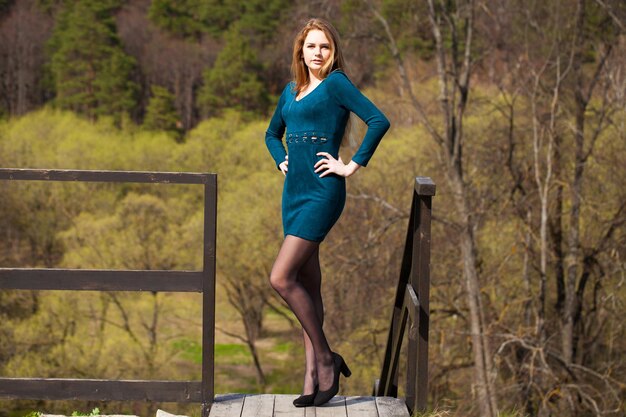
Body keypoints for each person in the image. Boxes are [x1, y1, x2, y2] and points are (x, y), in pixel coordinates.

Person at [264, 18, 390, 407]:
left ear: (332, 52)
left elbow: (378, 120)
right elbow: (272, 134)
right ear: (300, 51)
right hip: (294, 193)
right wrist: (281, 159)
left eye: (325, 47)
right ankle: (311, 379)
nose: (317, 53)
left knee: (281, 278)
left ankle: (325, 359)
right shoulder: (291, 91)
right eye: (311, 46)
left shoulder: (337, 84)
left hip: (322, 192)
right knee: (308, 282)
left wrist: (351, 165)